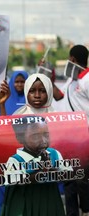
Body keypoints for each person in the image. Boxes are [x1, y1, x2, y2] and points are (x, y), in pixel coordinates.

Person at [0, 73, 66, 215]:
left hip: (47, 192)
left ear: (49, 91)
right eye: (32, 91)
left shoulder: (60, 120)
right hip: (21, 194)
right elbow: (4, 138)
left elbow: (68, 168)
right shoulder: (18, 116)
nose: (37, 95)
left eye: (42, 90)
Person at [59, 44, 89, 216]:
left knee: (84, 181)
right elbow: (59, 96)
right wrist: (46, 74)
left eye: (70, 59)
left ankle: (85, 210)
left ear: (73, 60)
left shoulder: (87, 80)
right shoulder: (72, 80)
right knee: (69, 181)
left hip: (85, 139)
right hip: (70, 141)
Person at [4, 115, 72, 185]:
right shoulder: (15, 160)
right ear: (20, 138)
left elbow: (69, 175)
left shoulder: (54, 153)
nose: (43, 141)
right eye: (35, 136)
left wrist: (50, 168)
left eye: (46, 135)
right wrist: (42, 169)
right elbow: (15, 184)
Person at [0, 70, 28, 216]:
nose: (20, 84)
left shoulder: (33, 99)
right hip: (8, 155)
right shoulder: (5, 101)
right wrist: (2, 105)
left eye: (23, 81)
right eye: (17, 81)